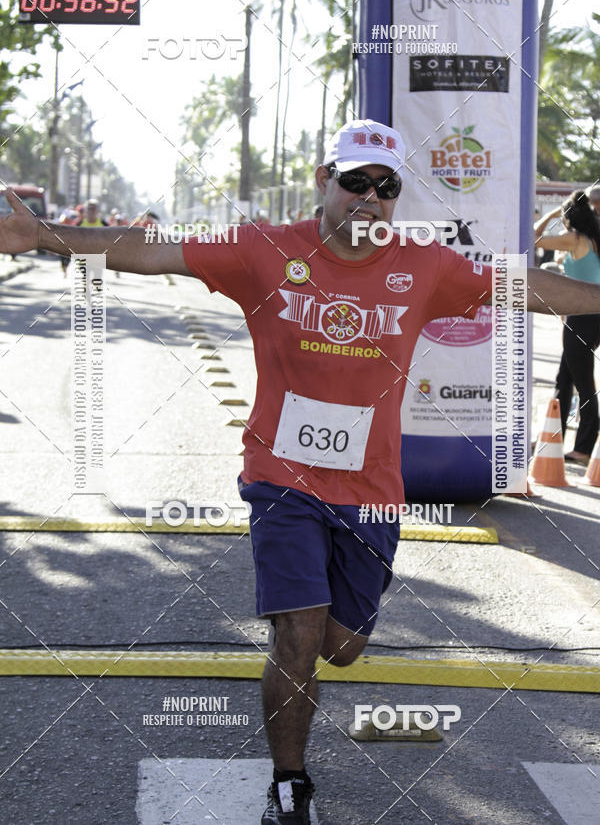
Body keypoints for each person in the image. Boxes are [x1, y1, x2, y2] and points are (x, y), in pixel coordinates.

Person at [4, 120, 600, 824]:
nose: (369, 199)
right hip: (281, 477)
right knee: (298, 634)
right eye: (355, 182)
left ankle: (313, 692)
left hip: (372, 490)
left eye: (385, 188)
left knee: (341, 647)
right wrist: (45, 236)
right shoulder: (263, 248)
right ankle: (290, 783)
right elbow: (153, 251)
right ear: (326, 181)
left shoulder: (427, 264)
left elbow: (524, 287)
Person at [535, 190, 600, 464]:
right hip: (591, 313)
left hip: (582, 314)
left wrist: (549, 214)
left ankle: (584, 448)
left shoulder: (574, 238)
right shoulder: (594, 238)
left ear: (568, 217)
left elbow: (534, 236)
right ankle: (554, 438)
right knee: (565, 378)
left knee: (583, 382)